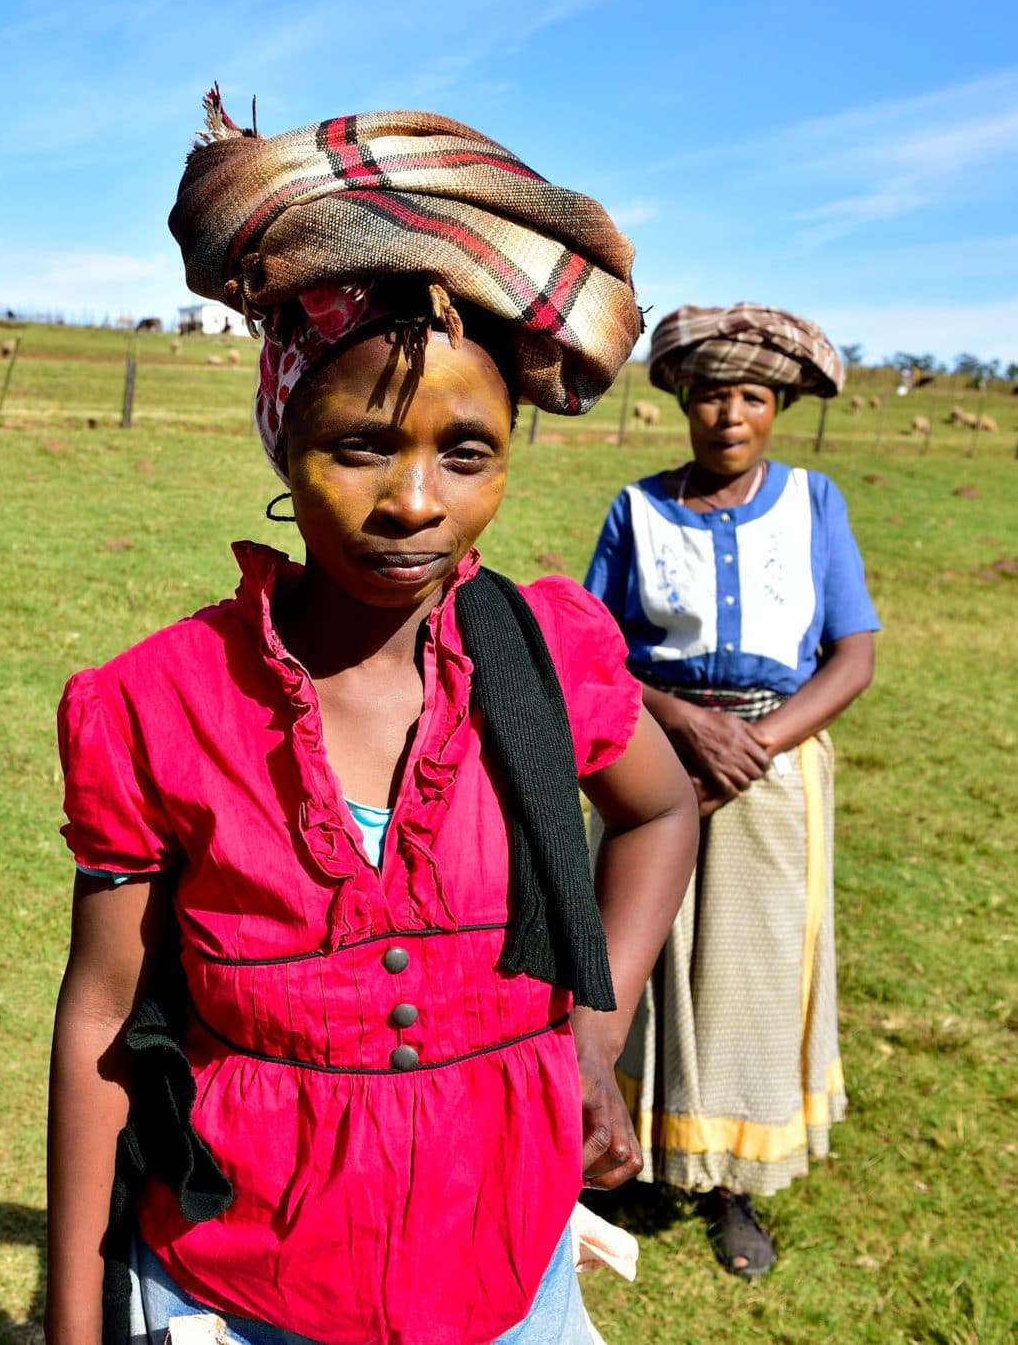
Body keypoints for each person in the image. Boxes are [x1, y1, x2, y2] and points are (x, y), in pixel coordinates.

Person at [47, 98, 700, 1345]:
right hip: (240, 1288)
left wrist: (590, 1030)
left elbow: (660, 807)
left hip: (508, 1276)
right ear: (280, 438)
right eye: (358, 444)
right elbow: (98, 1018)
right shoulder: (152, 703)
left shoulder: (544, 653)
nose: (413, 502)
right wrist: (73, 1327)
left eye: (466, 452)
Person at [581, 303, 879, 1279]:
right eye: (711, 394)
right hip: (652, 756)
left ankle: (731, 1185)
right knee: (641, 953)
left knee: (747, 974)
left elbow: (851, 653)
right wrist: (685, 725)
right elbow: (595, 654)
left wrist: (751, 742)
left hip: (773, 765)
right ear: (681, 400)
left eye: (750, 396)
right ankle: (617, 1153)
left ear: (779, 405)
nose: (729, 415)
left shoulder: (813, 502)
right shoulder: (637, 509)